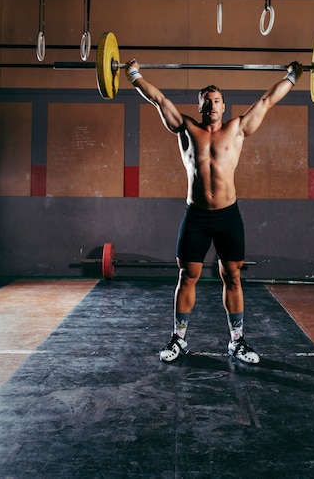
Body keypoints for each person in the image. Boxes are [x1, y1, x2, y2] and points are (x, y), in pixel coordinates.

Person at [125, 59, 303, 364]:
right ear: (200, 106)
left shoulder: (237, 129)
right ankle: (179, 339)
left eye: (217, 101)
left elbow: (267, 100)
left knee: (232, 276)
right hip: (196, 217)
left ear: (224, 106)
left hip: (227, 217)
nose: (212, 105)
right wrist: (133, 74)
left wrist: (293, 76)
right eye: (207, 101)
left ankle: (237, 342)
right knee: (187, 275)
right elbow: (158, 99)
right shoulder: (185, 128)